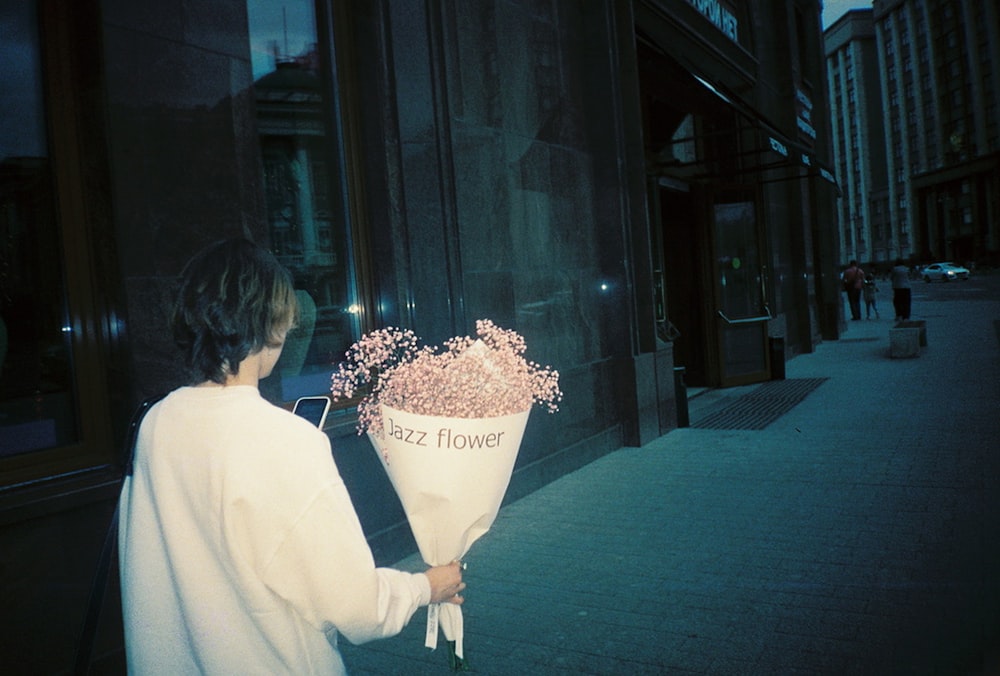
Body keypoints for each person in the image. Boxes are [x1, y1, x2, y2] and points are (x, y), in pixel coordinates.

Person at [118, 238, 465, 674]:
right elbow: (358, 606)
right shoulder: (285, 440)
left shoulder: (156, 422)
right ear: (274, 324)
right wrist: (425, 587)